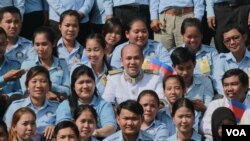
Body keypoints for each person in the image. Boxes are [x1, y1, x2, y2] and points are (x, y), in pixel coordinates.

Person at [56, 65, 117, 138]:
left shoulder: (104, 105)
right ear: (73, 87)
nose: (85, 86)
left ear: (94, 84)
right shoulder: (65, 105)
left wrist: (93, 132)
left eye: (88, 81)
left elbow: (111, 127)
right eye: (81, 82)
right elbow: (62, 127)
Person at [4, 66, 59, 140]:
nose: (38, 85)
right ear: (27, 86)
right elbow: (7, 132)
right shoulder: (16, 106)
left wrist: (57, 128)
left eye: (43, 81)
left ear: (49, 85)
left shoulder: (58, 107)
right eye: (34, 81)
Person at [20, 26, 70, 100]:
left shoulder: (62, 63)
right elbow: (26, 91)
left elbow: (68, 91)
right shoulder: (27, 65)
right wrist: (47, 89)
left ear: (53, 43)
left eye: (44, 44)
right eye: (37, 44)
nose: (40, 48)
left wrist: (49, 86)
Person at [201, 68, 250, 139]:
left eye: (234, 84)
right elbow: (204, 127)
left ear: (245, 87)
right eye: (226, 85)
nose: (229, 89)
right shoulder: (215, 105)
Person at [171, 47, 213, 112]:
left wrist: (203, 108)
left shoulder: (205, 82)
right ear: (173, 67)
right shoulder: (168, 83)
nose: (185, 72)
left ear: (195, 64)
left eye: (189, 67)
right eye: (181, 69)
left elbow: (210, 109)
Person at [213, 24, 250, 95]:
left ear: (244, 37)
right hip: (229, 100)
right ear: (224, 43)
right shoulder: (221, 60)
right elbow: (219, 85)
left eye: (236, 38)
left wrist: (244, 98)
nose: (232, 42)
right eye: (227, 40)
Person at [0, 26, 23, 117]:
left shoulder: (15, 65)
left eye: (2, 44)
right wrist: (4, 79)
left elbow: (20, 91)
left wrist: (7, 96)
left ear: (7, 44)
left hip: (9, 107)